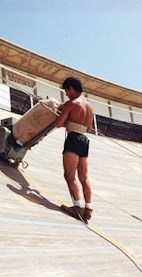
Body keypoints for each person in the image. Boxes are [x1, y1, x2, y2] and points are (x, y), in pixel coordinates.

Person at [55, 77, 94, 224]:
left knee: (69, 176)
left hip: (73, 140)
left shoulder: (72, 104)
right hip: (84, 141)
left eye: (66, 90)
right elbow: (89, 128)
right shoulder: (89, 106)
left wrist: (65, 117)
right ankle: (88, 209)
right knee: (84, 177)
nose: (66, 94)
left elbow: (58, 124)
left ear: (71, 88)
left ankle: (78, 207)